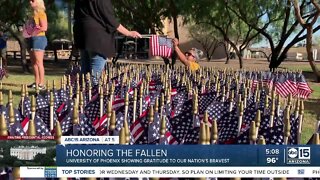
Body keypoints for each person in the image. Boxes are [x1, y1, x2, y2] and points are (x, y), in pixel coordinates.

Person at [74, 0, 142, 85]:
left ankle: (82, 95)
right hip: (97, 38)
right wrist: (128, 32)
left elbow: (76, 16)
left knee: (85, 73)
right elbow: (109, 19)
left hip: (82, 35)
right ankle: (90, 96)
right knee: (95, 77)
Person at [24, 0, 48, 90]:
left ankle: (42, 84)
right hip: (31, 38)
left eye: (33, 1)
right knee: (33, 62)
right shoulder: (32, 15)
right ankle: (37, 82)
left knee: (39, 62)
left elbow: (44, 27)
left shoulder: (41, 13)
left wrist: (36, 29)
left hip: (39, 38)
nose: (30, 2)